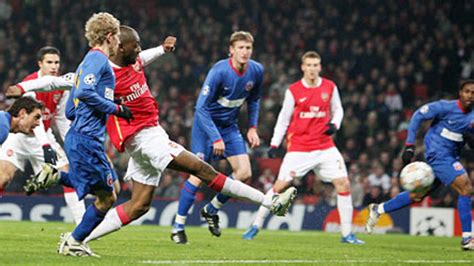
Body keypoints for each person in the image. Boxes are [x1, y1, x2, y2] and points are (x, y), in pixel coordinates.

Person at [24, 26, 297, 249]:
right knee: (202, 169)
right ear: (120, 47)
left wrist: (163, 50)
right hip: (144, 138)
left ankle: (74, 240)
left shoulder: (134, 61)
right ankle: (270, 202)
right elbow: (60, 82)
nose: (139, 50)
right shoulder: (103, 72)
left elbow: (145, 58)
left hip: (147, 136)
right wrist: (24, 87)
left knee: (139, 206)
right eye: (136, 45)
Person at [28, 12, 125, 257]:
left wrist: (95, 109)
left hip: (81, 136)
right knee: (108, 196)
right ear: (110, 37)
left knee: (109, 187)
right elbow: (84, 92)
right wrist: (116, 109)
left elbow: (71, 108)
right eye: (118, 39)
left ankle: (56, 177)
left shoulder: (86, 62)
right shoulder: (99, 61)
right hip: (86, 139)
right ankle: (74, 240)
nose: (119, 44)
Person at [242, 51, 364, 244]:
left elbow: (338, 109)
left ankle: (347, 234)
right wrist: (274, 143)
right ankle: (255, 225)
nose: (312, 69)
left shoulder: (330, 87)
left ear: (320, 67)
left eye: (316, 65)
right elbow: (283, 119)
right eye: (309, 65)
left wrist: (335, 124)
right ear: (303, 67)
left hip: (325, 146)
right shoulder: (294, 90)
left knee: (344, 184)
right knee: (279, 187)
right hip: (299, 148)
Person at [171, 31, 264, 243]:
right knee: (198, 172)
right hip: (206, 127)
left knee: (244, 172)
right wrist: (215, 138)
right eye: (240, 47)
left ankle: (211, 209)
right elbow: (201, 108)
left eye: (248, 48)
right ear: (231, 50)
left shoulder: (257, 70)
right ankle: (178, 226)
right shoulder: (219, 71)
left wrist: (252, 127)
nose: (245, 52)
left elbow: (255, 99)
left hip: (229, 127)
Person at [365, 80, 474, 251]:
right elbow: (418, 115)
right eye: (467, 91)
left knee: (417, 196)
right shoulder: (445, 107)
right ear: (460, 93)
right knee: (466, 188)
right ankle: (467, 239)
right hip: (438, 154)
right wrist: (409, 145)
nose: (470, 96)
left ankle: (379, 209)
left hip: (451, 156)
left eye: (473, 93)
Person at [2, 46, 85, 224]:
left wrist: (71, 144)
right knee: (3, 178)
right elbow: (34, 121)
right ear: (40, 64)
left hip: (45, 135)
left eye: (56, 62)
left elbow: (62, 119)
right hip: (20, 137)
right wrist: (45, 145)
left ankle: (83, 225)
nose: (54, 66)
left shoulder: (62, 86)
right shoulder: (30, 83)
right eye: (49, 62)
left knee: (68, 175)